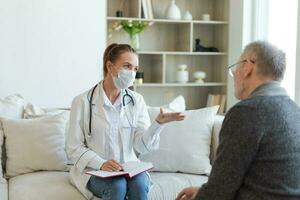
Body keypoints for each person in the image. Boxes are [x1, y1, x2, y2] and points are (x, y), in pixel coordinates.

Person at [176, 41, 300, 200]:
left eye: (235, 67)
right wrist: (203, 191)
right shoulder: (295, 111)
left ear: (247, 67)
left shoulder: (247, 112)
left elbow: (218, 193)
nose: (234, 76)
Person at [66, 43, 185, 200]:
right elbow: (73, 148)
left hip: (129, 167)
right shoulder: (82, 101)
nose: (132, 73)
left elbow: (141, 146)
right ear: (110, 66)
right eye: (127, 66)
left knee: (140, 185)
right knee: (117, 186)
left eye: (135, 69)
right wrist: (101, 163)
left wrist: (158, 124)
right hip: (93, 169)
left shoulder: (136, 101)